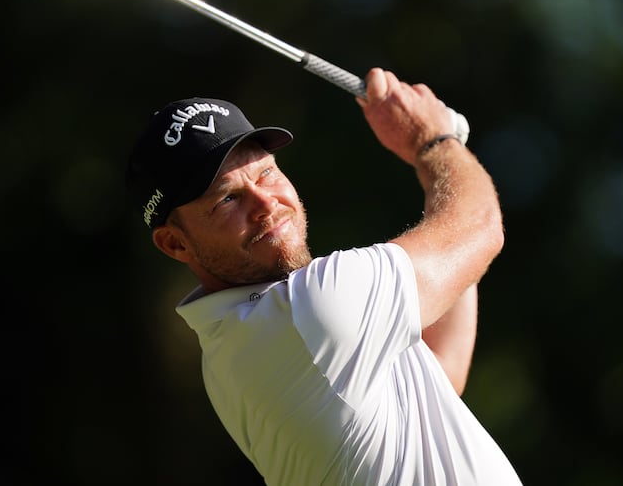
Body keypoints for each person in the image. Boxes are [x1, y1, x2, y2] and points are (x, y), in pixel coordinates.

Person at [126, 67, 522, 485]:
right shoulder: (309, 310)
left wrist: (444, 169)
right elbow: (479, 228)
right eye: (227, 199)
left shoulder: (228, 345)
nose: (266, 203)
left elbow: (440, 375)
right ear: (175, 244)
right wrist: (433, 142)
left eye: (266, 173)